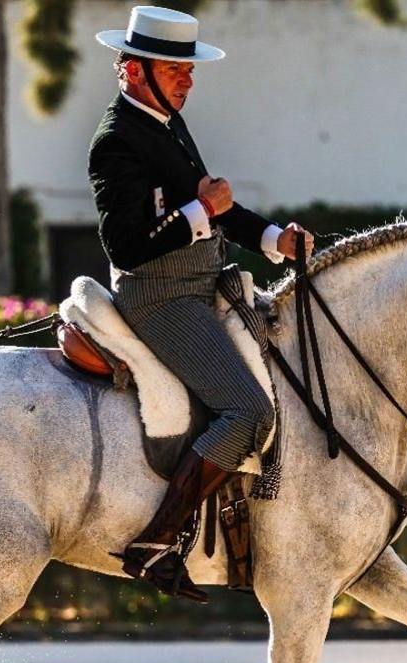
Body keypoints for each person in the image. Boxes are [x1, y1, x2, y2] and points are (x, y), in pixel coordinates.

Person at [90, 6, 315, 601]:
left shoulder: (166, 122)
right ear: (134, 72)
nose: (188, 80)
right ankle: (159, 539)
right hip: (161, 297)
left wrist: (274, 239)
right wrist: (200, 213)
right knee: (248, 412)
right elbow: (127, 245)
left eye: (189, 70)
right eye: (175, 69)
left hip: (205, 283)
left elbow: (215, 205)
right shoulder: (116, 141)